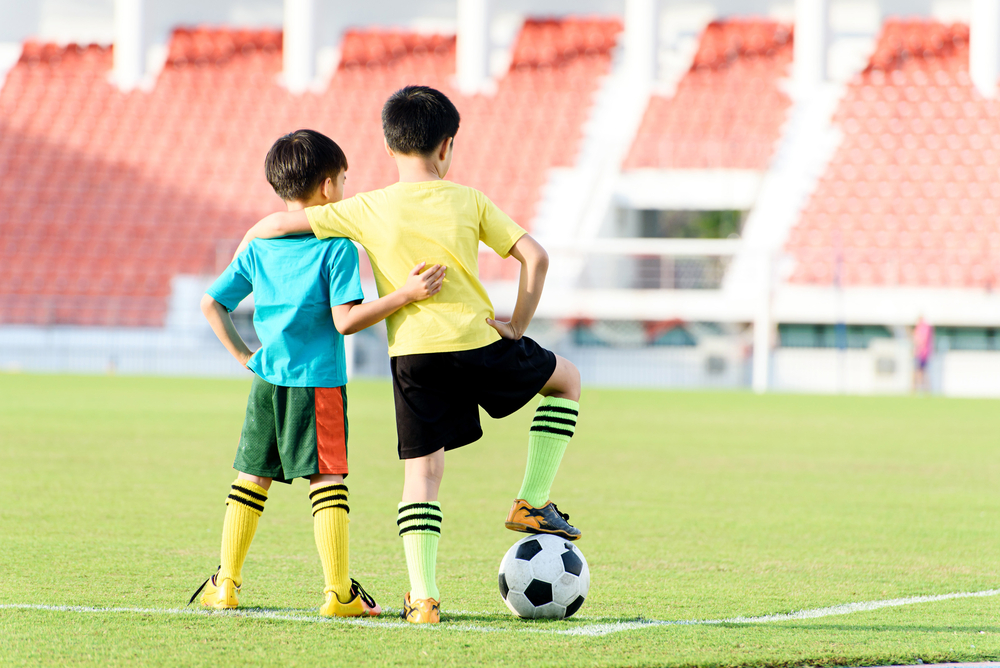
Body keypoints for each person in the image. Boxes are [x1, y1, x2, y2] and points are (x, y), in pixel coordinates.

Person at [234, 86, 583, 624]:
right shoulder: (468, 199)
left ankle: (423, 600)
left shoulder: (367, 206)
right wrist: (518, 325)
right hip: (478, 340)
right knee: (566, 382)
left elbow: (278, 225)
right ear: (447, 146)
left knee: (422, 477)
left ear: (389, 146)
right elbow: (534, 258)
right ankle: (533, 500)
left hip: (414, 357)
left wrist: (247, 241)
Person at [192, 129, 445, 617]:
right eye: (345, 180)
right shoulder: (336, 247)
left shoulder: (259, 246)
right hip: (319, 382)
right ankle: (338, 593)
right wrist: (404, 296)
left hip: (268, 378)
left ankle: (226, 584)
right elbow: (346, 320)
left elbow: (211, 304)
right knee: (327, 482)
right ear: (329, 188)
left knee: (250, 478)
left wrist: (248, 358)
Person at [913, 315, 934, 393]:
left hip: (921, 353)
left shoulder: (922, 327)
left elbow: (920, 340)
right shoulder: (927, 327)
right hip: (925, 353)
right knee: (923, 372)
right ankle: (924, 389)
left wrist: (917, 347)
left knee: (919, 372)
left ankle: (918, 389)